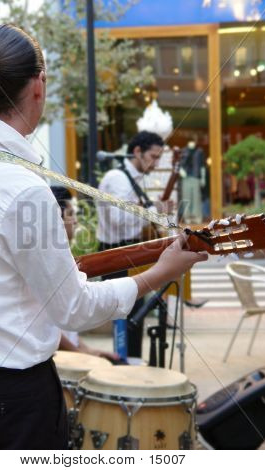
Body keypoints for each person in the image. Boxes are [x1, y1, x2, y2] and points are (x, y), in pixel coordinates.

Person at [0, 24, 207, 450]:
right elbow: (74, 309)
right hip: (12, 406)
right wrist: (159, 273)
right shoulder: (25, 190)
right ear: (39, 88)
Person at [97, 131, 172, 359]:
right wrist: (154, 211)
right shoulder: (117, 178)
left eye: (159, 157)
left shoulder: (134, 179)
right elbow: (119, 221)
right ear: (137, 152)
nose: (156, 163)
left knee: (135, 317)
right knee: (126, 318)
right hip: (116, 254)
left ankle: (132, 364)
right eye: (153, 156)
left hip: (129, 252)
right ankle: (125, 367)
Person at [50, 186, 119, 362]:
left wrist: (88, 350)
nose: (76, 222)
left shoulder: (62, 258)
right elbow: (47, 327)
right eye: (71, 214)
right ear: (57, 219)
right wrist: (83, 355)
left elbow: (65, 330)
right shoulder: (49, 264)